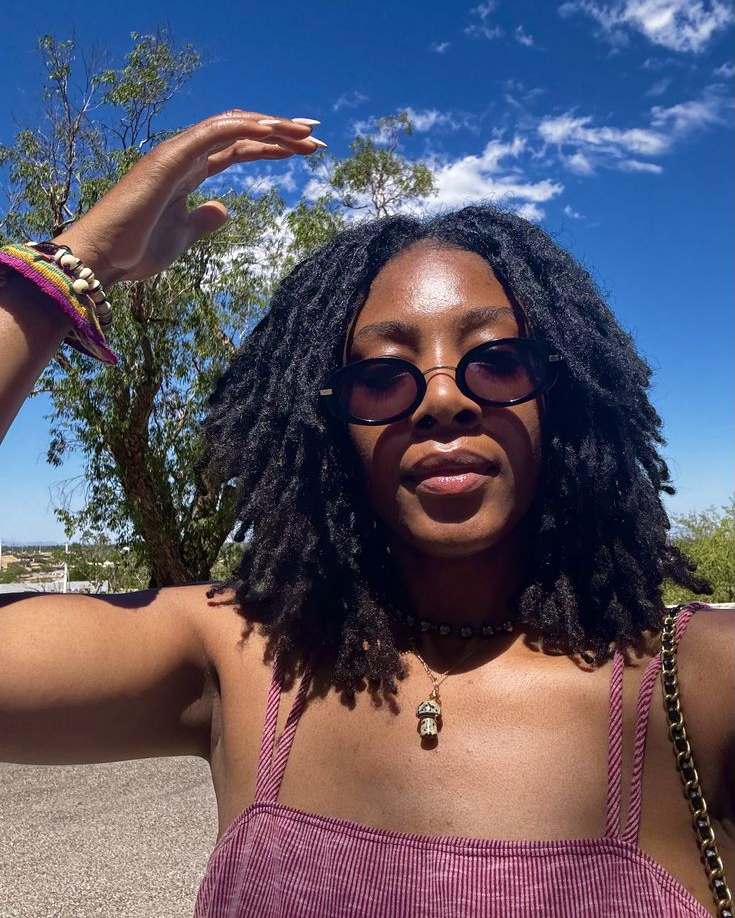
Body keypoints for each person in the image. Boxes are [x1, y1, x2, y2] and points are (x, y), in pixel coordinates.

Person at [0, 110, 732, 918]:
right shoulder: (247, 660)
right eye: (381, 378)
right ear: (329, 428)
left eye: (497, 362)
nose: (445, 400)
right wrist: (73, 265)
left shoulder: (697, 686)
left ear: (564, 402)